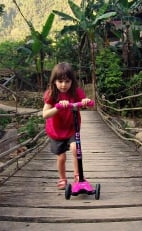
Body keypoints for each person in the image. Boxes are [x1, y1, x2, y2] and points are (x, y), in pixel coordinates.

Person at [42, 62, 91, 190]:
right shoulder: (51, 94)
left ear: (72, 82)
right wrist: (57, 107)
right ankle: (62, 178)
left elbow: (84, 103)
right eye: (60, 81)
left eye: (67, 81)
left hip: (72, 128)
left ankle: (78, 176)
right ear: (54, 81)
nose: (64, 85)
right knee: (61, 157)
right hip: (56, 131)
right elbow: (45, 114)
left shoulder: (76, 92)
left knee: (76, 149)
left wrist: (85, 102)